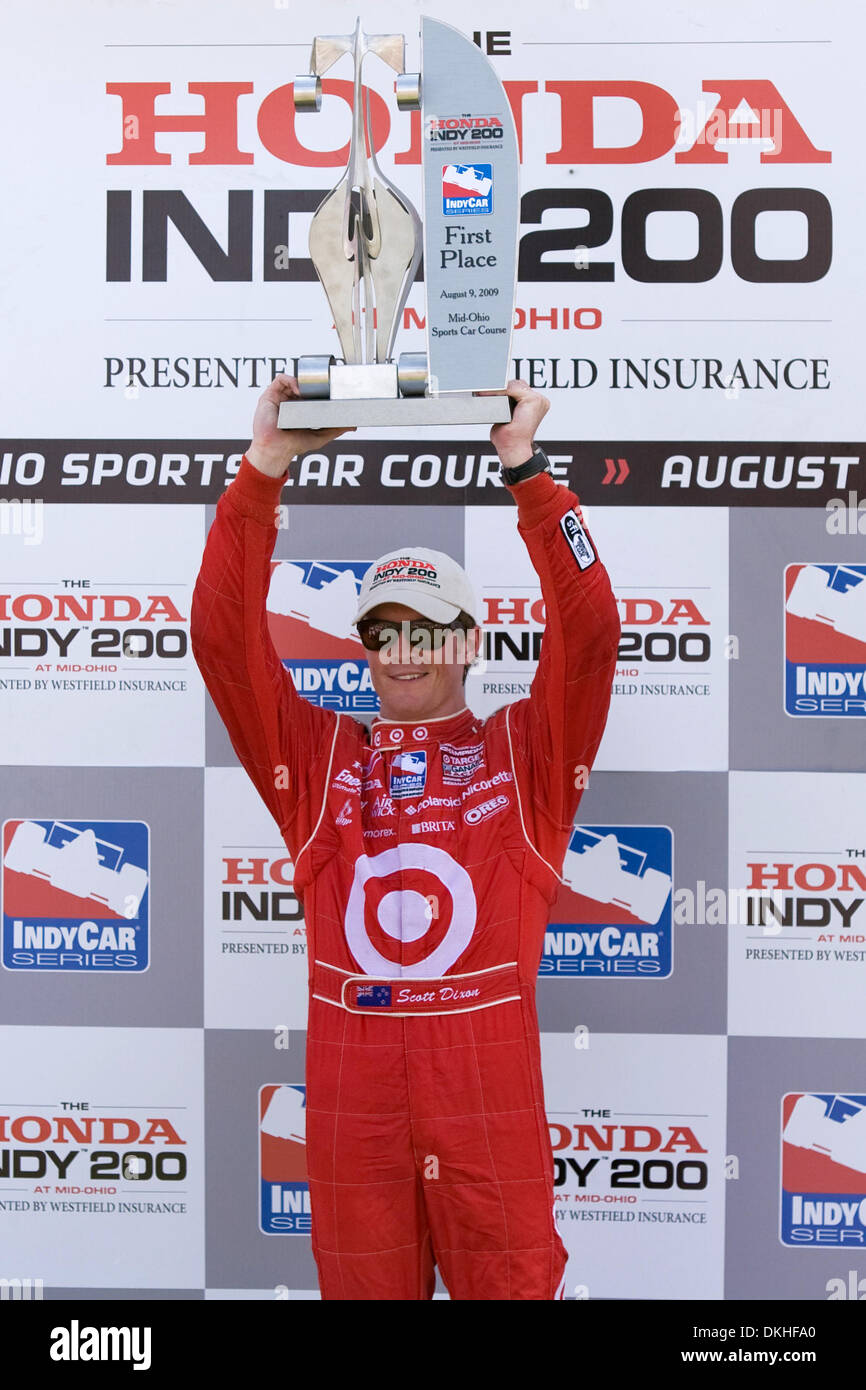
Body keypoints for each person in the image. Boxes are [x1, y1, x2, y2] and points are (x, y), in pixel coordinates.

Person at [191, 374, 620, 1300]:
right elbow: (225, 644)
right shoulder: (317, 764)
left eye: (428, 629)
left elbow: (589, 638)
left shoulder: (526, 754)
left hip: (486, 1106)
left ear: (471, 644)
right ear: (363, 650)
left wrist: (528, 474)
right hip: (358, 1109)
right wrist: (263, 470)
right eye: (383, 631)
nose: (404, 649)